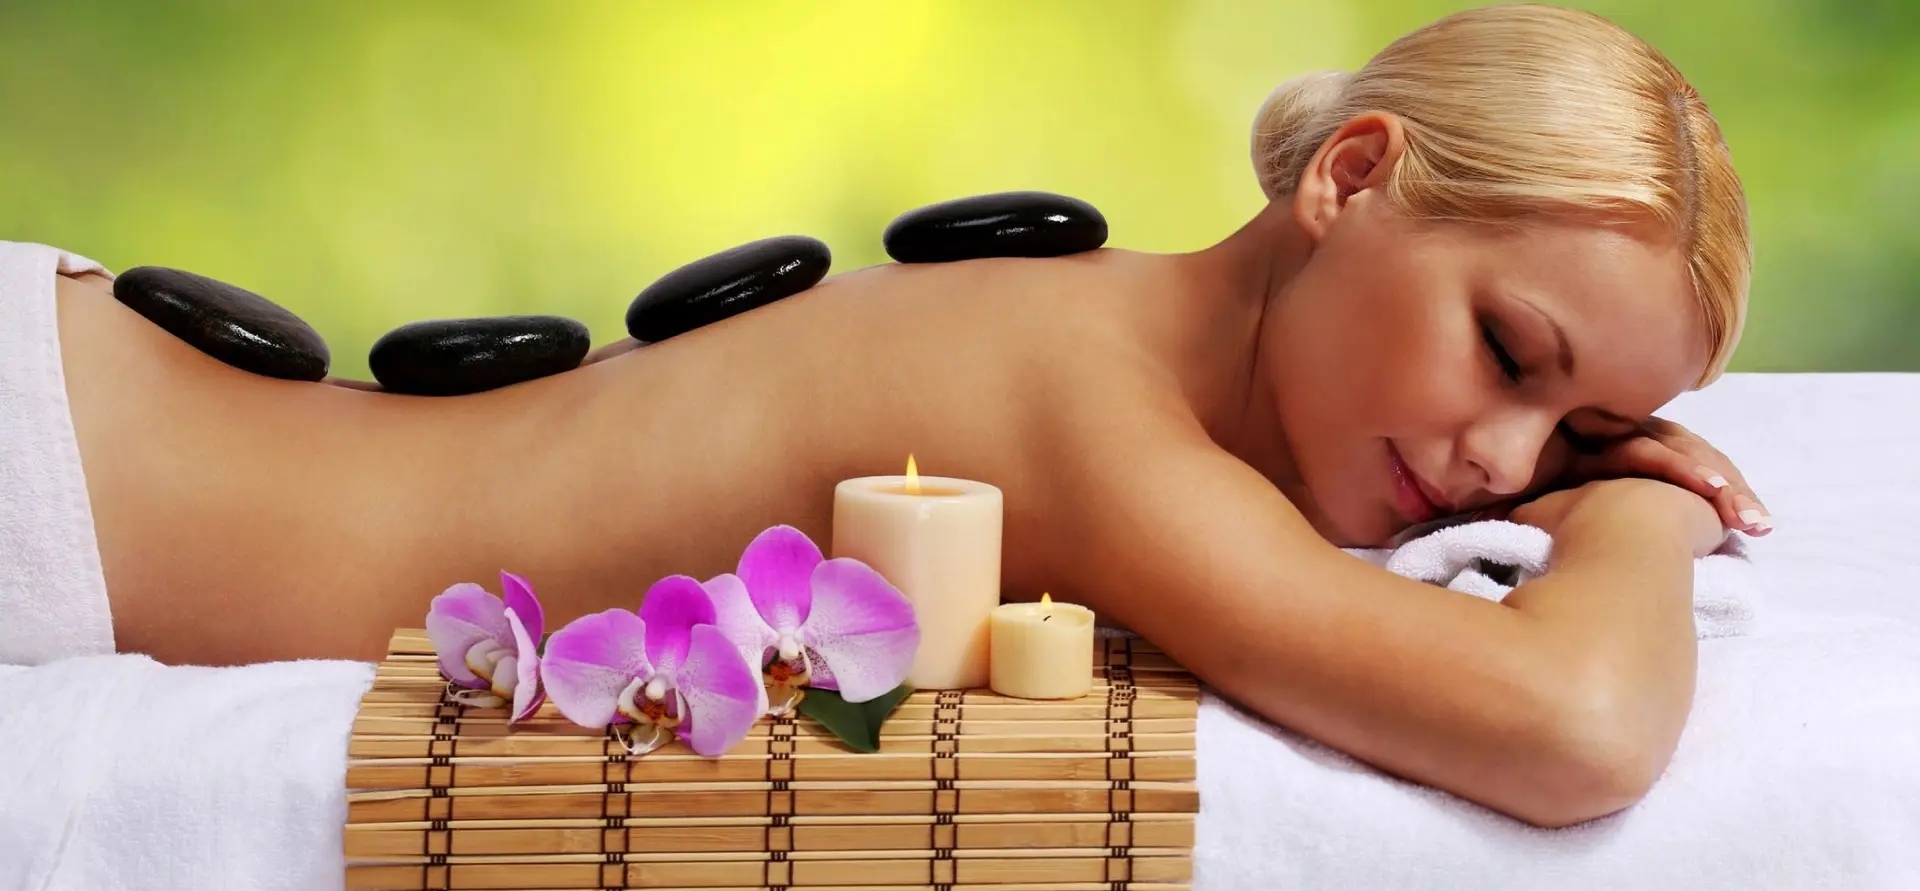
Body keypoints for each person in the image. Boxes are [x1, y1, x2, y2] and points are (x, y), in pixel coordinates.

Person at [17, 3, 1764, 828]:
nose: (1506, 463)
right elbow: (1573, 728)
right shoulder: (1084, 404)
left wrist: (1575, 464)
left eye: (1581, 436)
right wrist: (1650, 512)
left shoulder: (1097, 349)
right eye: (1511, 354)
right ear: (1355, 178)